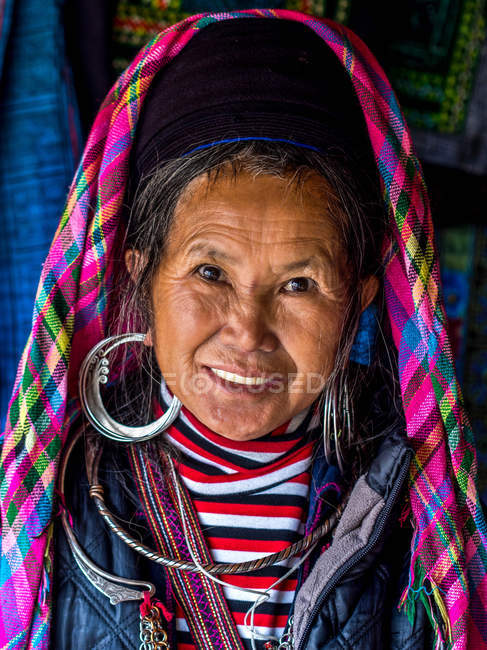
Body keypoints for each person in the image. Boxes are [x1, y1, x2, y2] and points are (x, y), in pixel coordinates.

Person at [1, 10, 486, 650]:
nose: (248, 331)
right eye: (210, 272)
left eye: (298, 284)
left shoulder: (420, 513)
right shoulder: (56, 503)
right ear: (141, 275)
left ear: (359, 299)